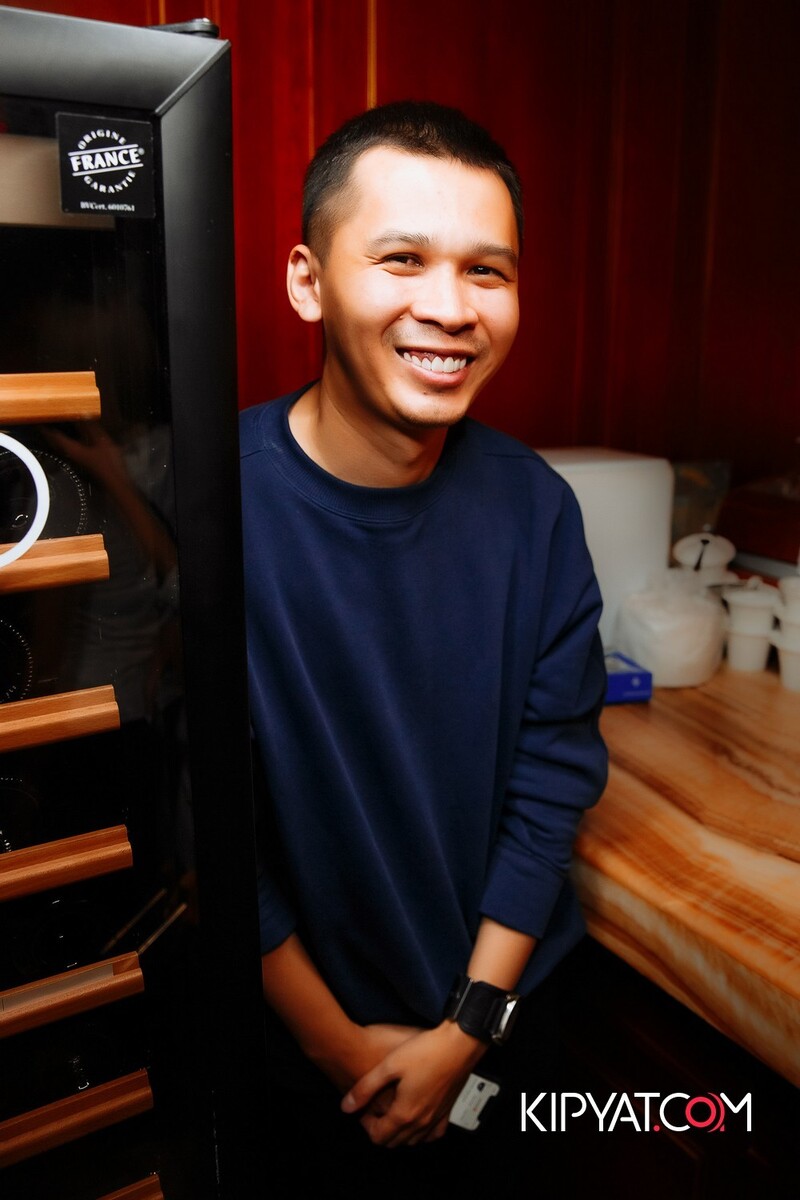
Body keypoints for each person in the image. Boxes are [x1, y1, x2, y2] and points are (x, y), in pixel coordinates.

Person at [239, 100, 608, 1195]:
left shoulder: (536, 510)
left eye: (486, 271)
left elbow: (551, 784)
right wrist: (334, 1048)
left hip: (501, 1030)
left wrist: (468, 1030)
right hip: (295, 1054)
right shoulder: (209, 507)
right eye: (401, 259)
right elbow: (196, 820)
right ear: (308, 281)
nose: (448, 308)